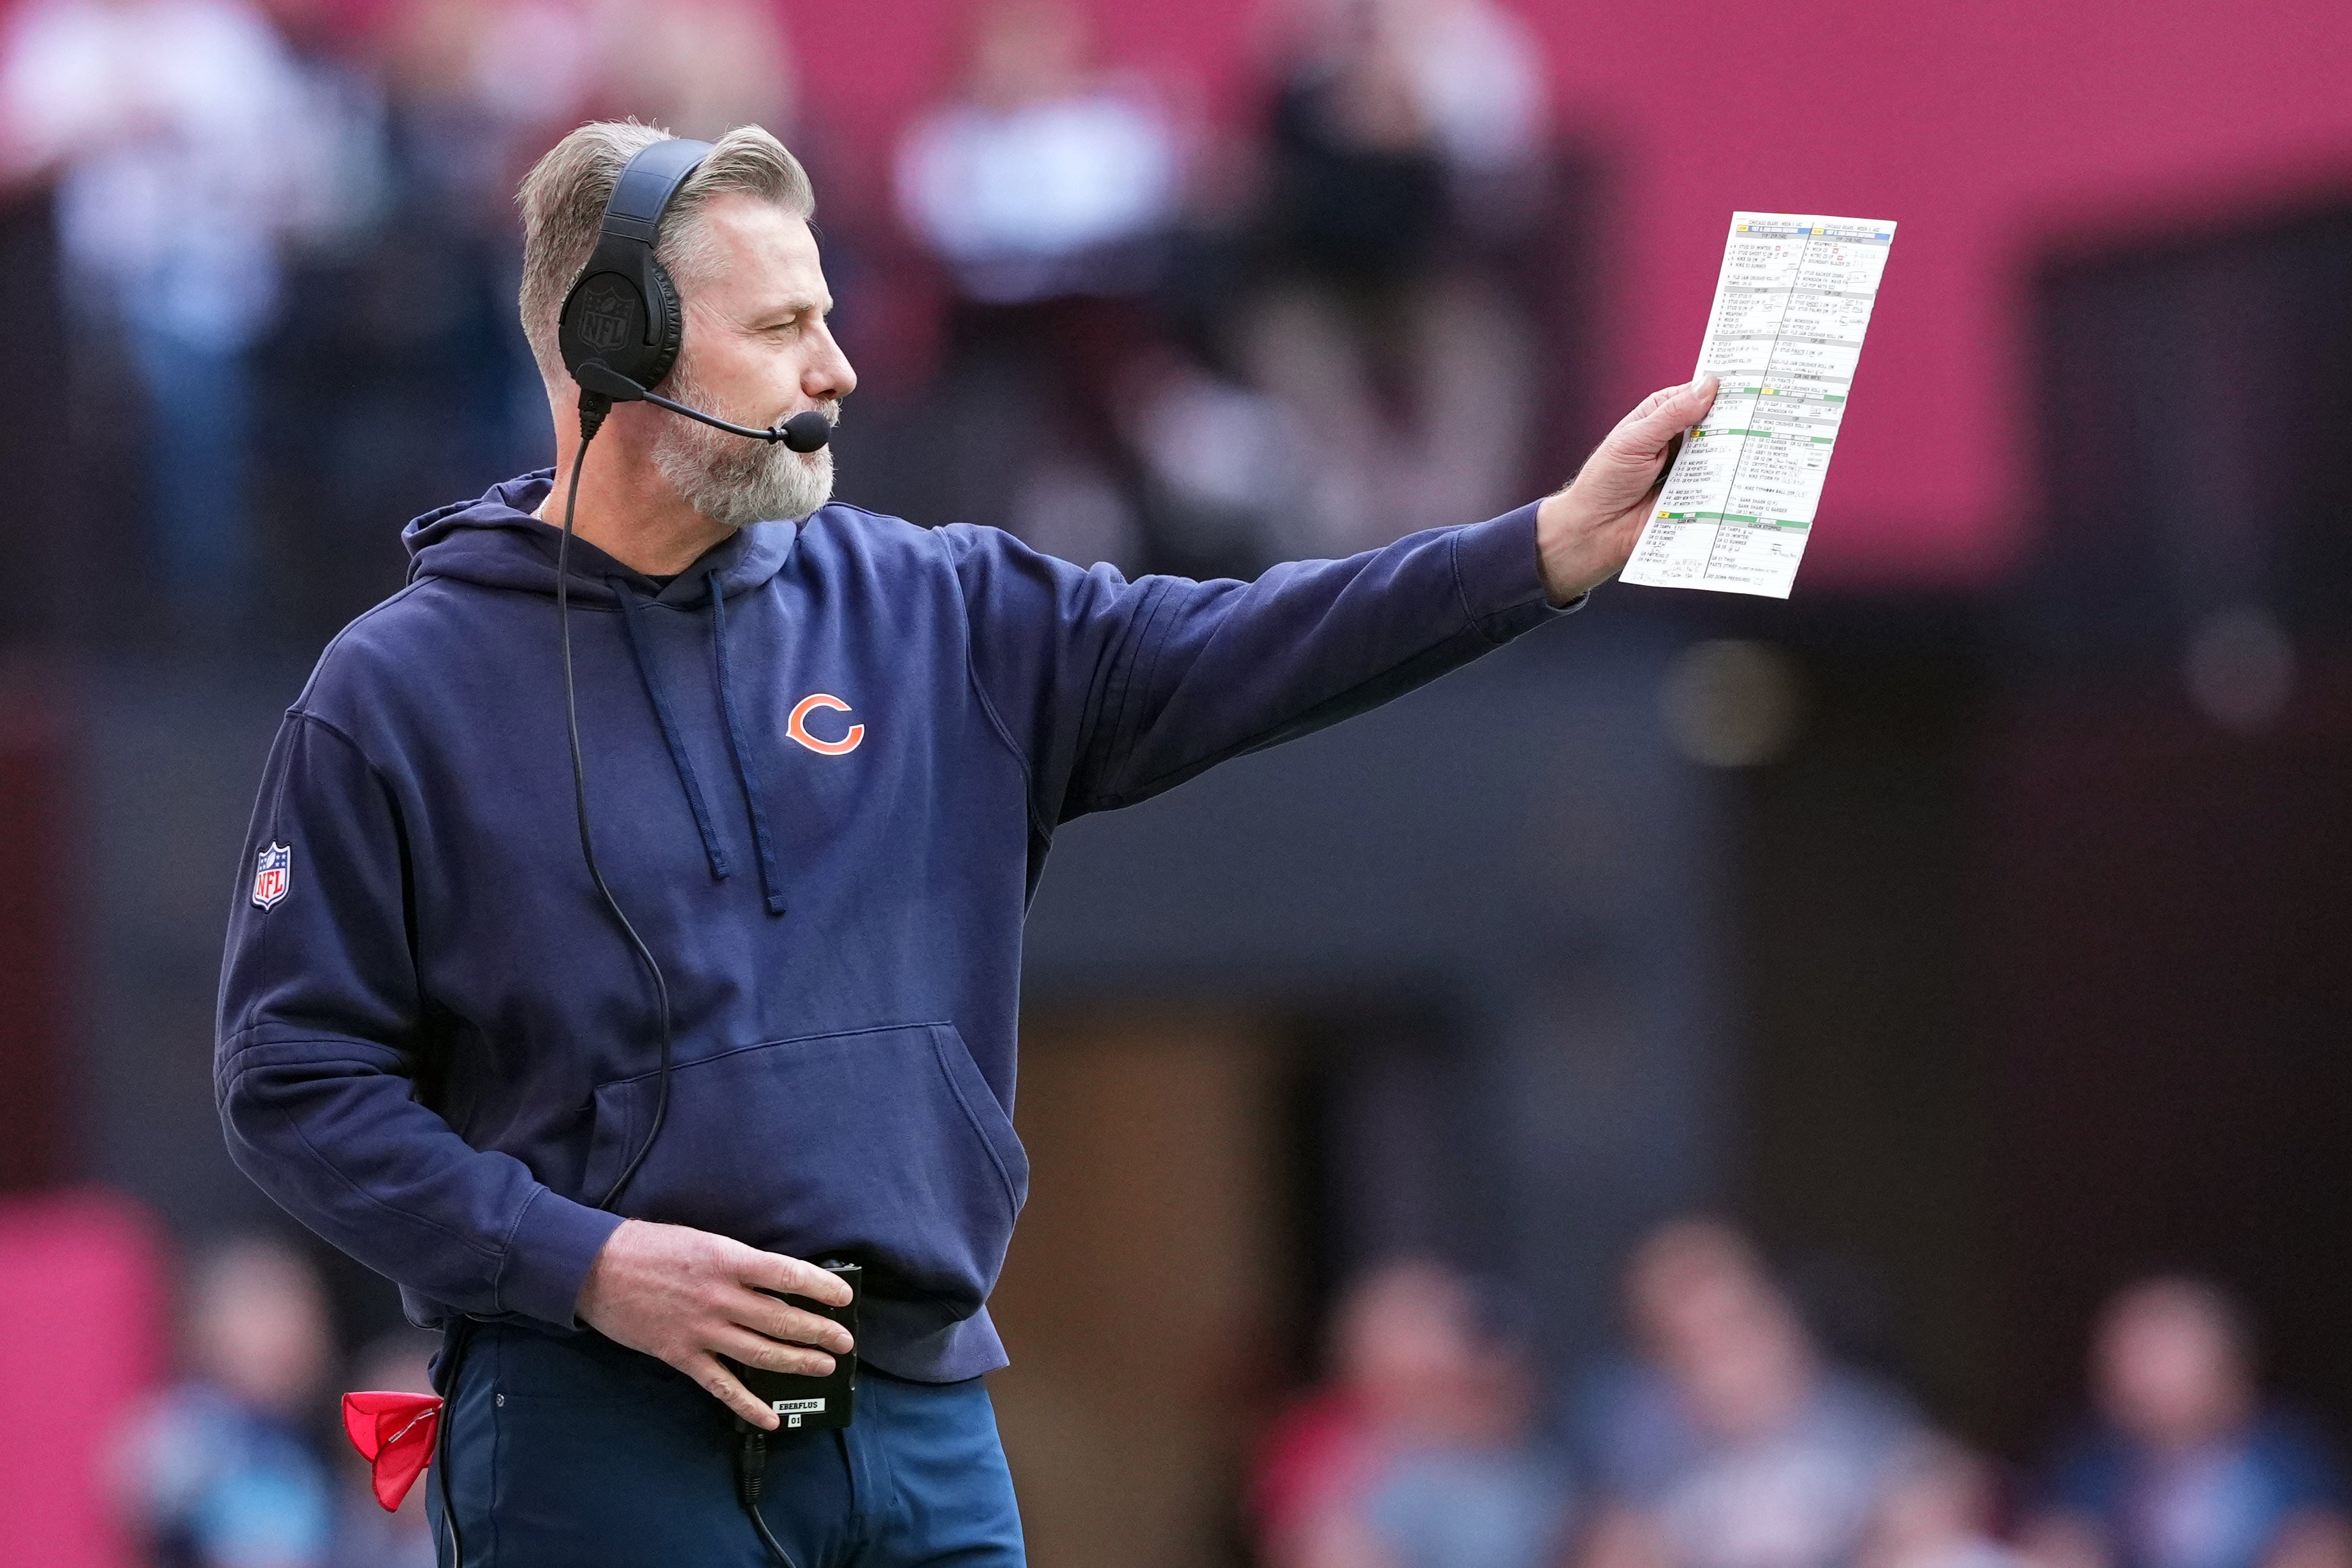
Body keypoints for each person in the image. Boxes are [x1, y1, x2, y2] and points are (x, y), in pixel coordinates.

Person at [214, 117, 1718, 1565]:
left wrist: (1542, 551)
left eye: (832, 311)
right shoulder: (392, 693)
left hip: (920, 1425)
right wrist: (586, 1265)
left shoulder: (941, 610)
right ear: (615, 344)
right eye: (782, 324)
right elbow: (294, 1085)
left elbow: (1262, 636)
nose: (838, 366)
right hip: (591, 1428)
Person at [1572, 1218, 1919, 1568]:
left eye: (1739, 1322)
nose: (1732, 1361)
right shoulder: (1644, 1450)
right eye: (1694, 1346)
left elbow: (1926, 1502)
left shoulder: (1862, 1424)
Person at [1252, 1260, 1572, 1568]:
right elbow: (1307, 1536)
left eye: (1460, 1315)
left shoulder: (1530, 1455)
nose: (1456, 1335)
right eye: (1419, 1319)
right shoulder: (1330, 1448)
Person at [2022, 1278, 2352, 1568]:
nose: (2134, 1379)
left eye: (2155, 1357)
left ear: (2226, 1368)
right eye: (2120, 1358)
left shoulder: (2289, 1458)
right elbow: (2061, 1542)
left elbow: (2322, 1545)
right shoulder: (2090, 1462)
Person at [112, 1237, 338, 1568]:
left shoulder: (315, 1441)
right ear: (202, 1330)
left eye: (299, 1315)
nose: (284, 1336)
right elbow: (133, 1491)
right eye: (260, 1315)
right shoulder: (184, 1428)